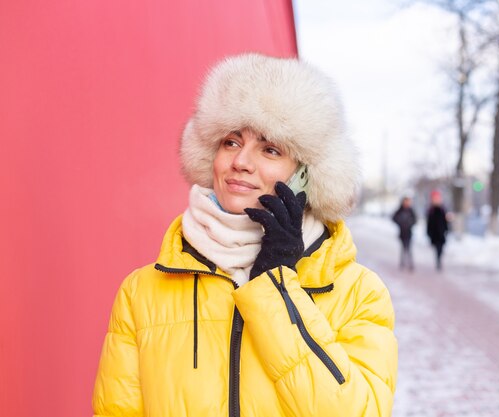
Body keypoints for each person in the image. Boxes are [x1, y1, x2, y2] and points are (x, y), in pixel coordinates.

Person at [92, 53, 397, 417]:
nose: (241, 161)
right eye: (231, 142)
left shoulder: (359, 293)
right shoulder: (141, 292)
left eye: (270, 149)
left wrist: (277, 289)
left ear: (307, 175)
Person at [392, 196, 417, 270]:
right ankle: (402, 263)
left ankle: (410, 263)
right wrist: (400, 223)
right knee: (403, 249)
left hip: (409, 233)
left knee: (409, 249)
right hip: (402, 233)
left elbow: (415, 220)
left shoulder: (411, 210)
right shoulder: (400, 210)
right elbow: (394, 218)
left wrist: (410, 223)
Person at [426, 190, 449, 271]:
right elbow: (428, 223)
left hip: (441, 232)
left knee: (441, 248)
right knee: (437, 248)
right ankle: (438, 261)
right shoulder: (431, 210)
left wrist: (447, 229)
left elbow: (445, 221)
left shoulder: (443, 209)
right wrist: (428, 233)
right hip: (434, 233)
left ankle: (439, 261)